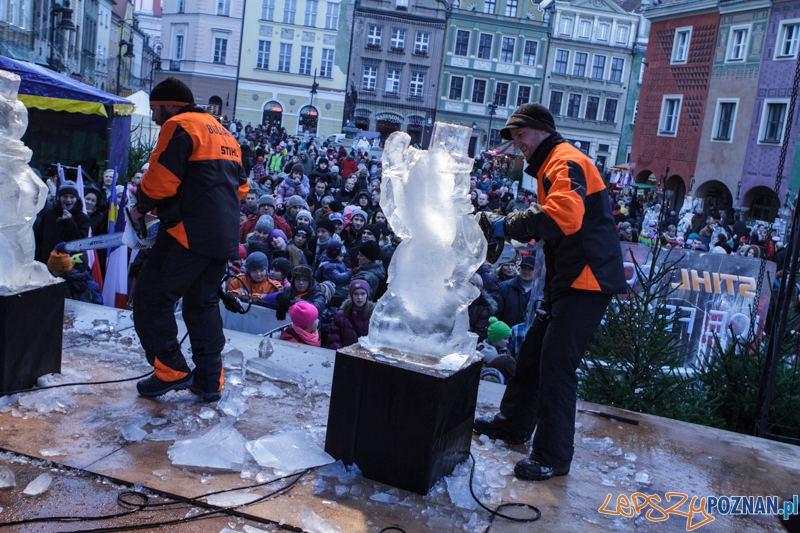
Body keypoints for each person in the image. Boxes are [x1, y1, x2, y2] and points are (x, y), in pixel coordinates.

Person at [474, 103, 626, 481]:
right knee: (533, 357)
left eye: (520, 135)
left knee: (557, 368)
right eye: (513, 138)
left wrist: (506, 226)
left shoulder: (565, 160)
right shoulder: (551, 164)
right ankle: (512, 424)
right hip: (568, 280)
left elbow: (564, 217)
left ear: (541, 130)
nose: (517, 144)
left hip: (587, 282)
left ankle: (553, 457)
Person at [129, 77, 248, 403]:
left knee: (151, 298)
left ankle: (171, 370)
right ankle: (210, 381)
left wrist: (140, 208)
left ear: (169, 104)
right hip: (222, 235)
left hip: (187, 232)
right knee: (202, 305)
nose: (154, 117)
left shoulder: (179, 125)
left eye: (154, 109)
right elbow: (241, 189)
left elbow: (160, 182)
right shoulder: (225, 133)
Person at [34, 180, 91, 264]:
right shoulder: (49, 215)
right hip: (47, 262)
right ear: (60, 197)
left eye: (72, 197)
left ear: (76, 198)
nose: (68, 200)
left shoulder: (83, 219)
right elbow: (39, 240)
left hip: (69, 265)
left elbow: (79, 243)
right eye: (65, 196)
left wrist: (69, 222)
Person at [327, 279, 374, 349]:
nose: (359, 297)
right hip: (345, 355)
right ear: (351, 295)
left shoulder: (374, 315)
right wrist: (342, 352)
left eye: (363, 293)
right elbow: (334, 339)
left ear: (367, 295)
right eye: (356, 294)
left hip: (365, 356)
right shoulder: (341, 315)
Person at [496, 255, 536, 328]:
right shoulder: (504, 287)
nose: (526, 271)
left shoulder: (540, 290)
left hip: (531, 334)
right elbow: (497, 312)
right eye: (524, 268)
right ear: (519, 268)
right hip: (507, 334)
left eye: (530, 269)